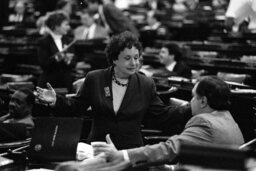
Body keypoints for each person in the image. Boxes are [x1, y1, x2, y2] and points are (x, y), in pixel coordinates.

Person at [35, 31, 191, 150]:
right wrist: (57, 100)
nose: (134, 63)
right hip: (98, 148)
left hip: (131, 152)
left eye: (136, 57)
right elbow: (77, 105)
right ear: (114, 58)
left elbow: (161, 115)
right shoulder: (95, 78)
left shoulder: (146, 84)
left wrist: (189, 109)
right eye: (127, 58)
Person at [89, 75, 244, 170]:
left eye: (193, 97)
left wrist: (122, 155)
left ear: (203, 101)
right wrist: (169, 168)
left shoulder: (204, 122)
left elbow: (170, 149)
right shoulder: (229, 120)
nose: (190, 102)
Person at [37, 11, 76, 93]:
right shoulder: (44, 41)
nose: (68, 27)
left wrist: (68, 60)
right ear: (56, 26)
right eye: (65, 24)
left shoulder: (69, 40)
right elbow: (43, 64)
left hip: (66, 83)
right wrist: (58, 57)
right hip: (49, 83)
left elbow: (73, 63)